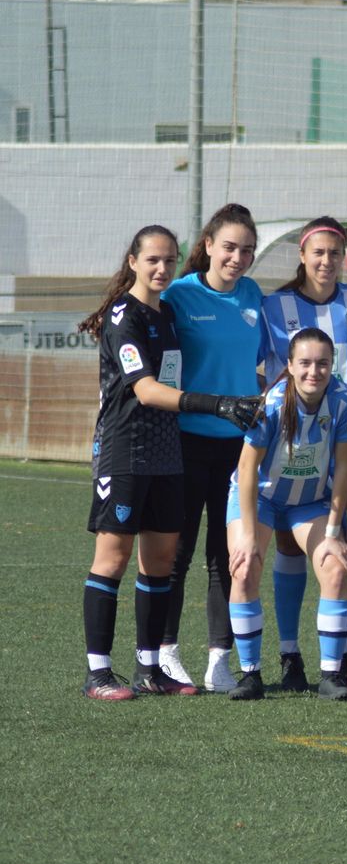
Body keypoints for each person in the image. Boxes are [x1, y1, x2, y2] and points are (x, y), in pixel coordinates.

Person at [76, 225, 258, 699]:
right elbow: (146, 390)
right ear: (133, 262)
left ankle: (149, 668)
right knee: (113, 559)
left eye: (169, 261)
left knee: (159, 560)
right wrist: (217, 404)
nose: (161, 269)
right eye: (152, 260)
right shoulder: (124, 315)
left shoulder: (169, 312)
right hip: (124, 451)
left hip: (166, 452)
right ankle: (98, 673)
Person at [257, 216, 347, 692]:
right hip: (288, 445)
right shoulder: (274, 306)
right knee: (287, 546)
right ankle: (290, 655)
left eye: (335, 253)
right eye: (318, 252)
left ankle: (344, 659)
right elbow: (261, 370)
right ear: (302, 256)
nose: (326, 261)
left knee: (345, 551)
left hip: (341, 438)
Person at [223, 328, 347, 700]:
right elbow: (247, 469)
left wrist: (333, 531)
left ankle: (331, 676)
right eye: (304, 363)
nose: (313, 372)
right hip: (261, 498)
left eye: (322, 363)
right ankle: (250, 675)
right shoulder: (271, 403)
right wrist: (249, 535)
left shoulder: (345, 401)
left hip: (310, 501)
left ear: (332, 365)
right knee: (245, 566)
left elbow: (345, 469)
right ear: (289, 365)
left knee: (335, 566)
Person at [160, 203, 265, 692]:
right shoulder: (179, 294)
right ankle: (165, 653)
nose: (237, 258)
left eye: (247, 250)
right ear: (207, 246)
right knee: (176, 552)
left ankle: (219, 660)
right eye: (229, 247)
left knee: (227, 556)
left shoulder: (253, 295)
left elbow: (257, 362)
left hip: (239, 449)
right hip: (186, 441)